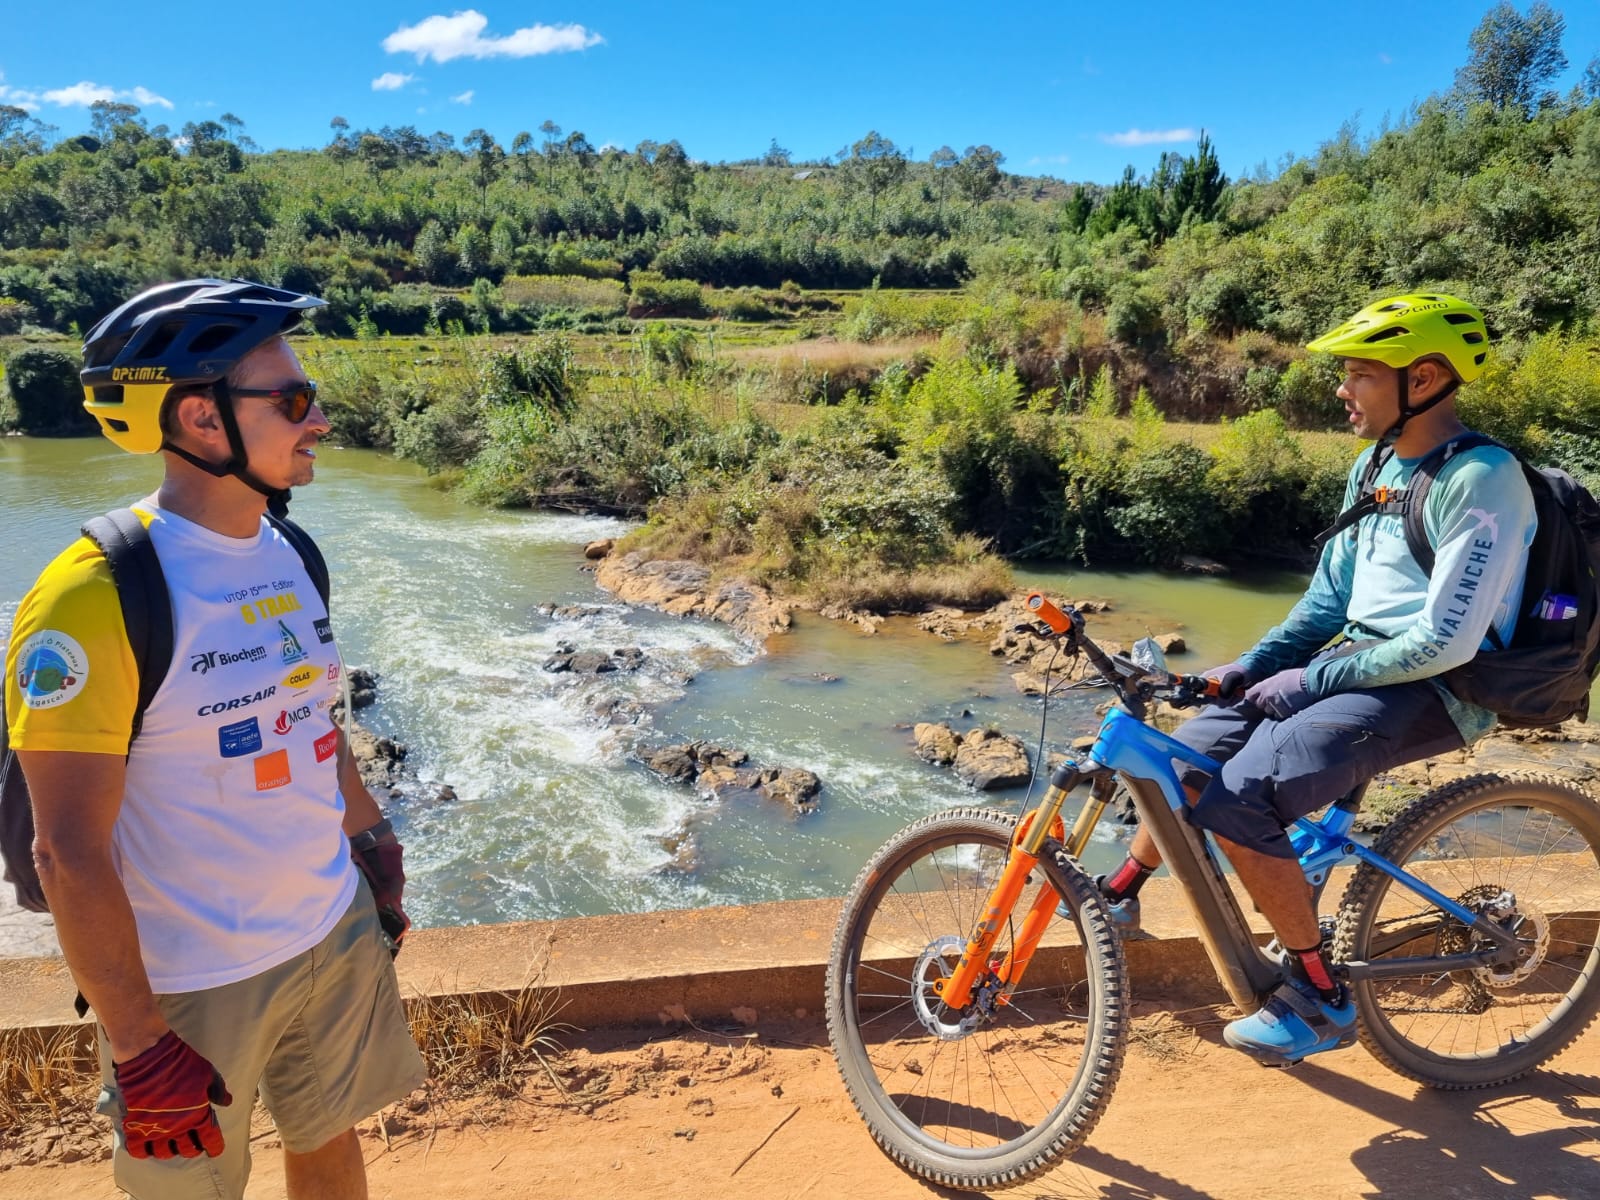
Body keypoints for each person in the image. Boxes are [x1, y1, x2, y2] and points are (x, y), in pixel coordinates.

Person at [4, 278, 425, 1199]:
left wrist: (372, 841)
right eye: (294, 400)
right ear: (201, 417)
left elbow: (311, 720)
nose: (319, 420)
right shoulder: (93, 595)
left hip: (329, 929)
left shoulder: (290, 550)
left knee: (330, 1137)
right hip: (189, 984)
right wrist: (138, 1041)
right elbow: (66, 849)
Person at [1093, 292, 1536, 1065]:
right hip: (1357, 664)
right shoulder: (1375, 466)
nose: (1341, 389)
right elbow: (1327, 604)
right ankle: (1121, 894)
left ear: (1424, 379)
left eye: (1361, 374)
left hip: (1443, 686)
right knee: (1185, 756)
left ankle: (1319, 999)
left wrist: (1308, 684)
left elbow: (1445, 639)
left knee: (1242, 796)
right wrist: (1253, 666)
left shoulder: (1483, 478)